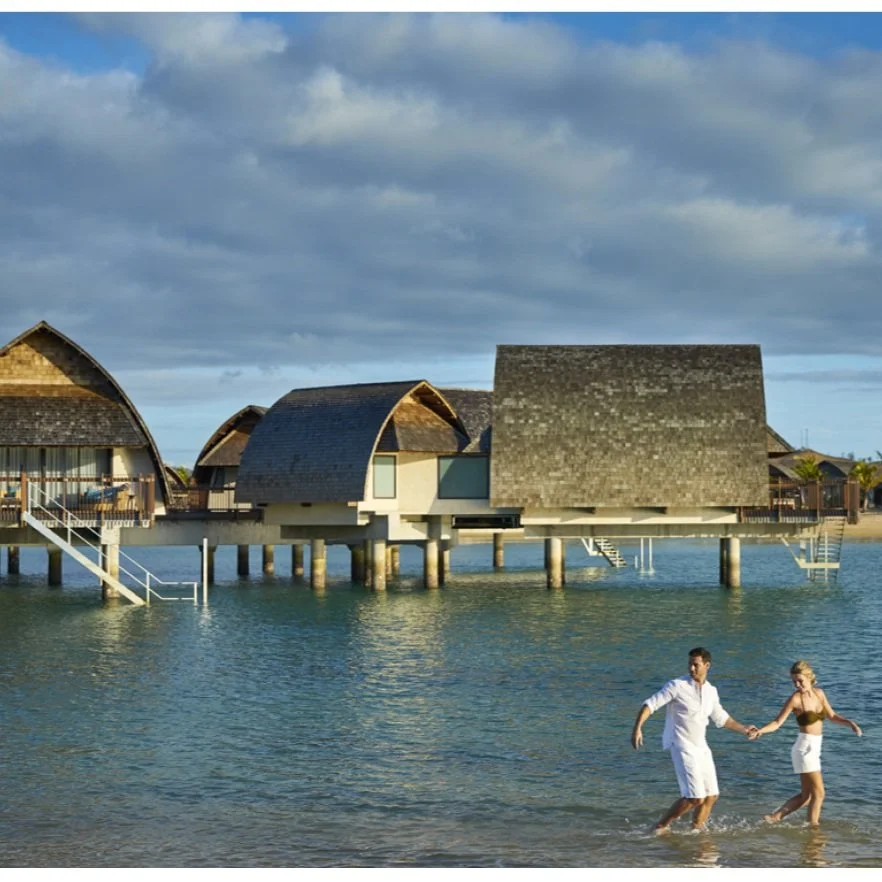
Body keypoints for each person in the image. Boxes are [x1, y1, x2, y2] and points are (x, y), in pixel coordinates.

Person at [631, 646, 756, 834]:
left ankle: (696, 830)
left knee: (712, 796)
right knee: (694, 797)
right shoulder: (676, 686)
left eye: (695, 665)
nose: (691, 669)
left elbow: (721, 718)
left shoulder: (711, 691)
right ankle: (660, 827)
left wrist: (744, 728)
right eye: (689, 664)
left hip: (701, 747)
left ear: (707, 665)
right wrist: (637, 728)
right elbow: (650, 704)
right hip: (681, 745)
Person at [749, 659, 861, 826]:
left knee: (807, 796)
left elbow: (832, 716)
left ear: (810, 677)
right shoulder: (795, 699)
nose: (797, 685)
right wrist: (760, 731)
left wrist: (850, 723)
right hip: (804, 749)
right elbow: (777, 722)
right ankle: (812, 827)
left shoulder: (819, 694)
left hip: (815, 749)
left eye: (800, 681)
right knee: (820, 794)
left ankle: (774, 818)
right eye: (794, 681)